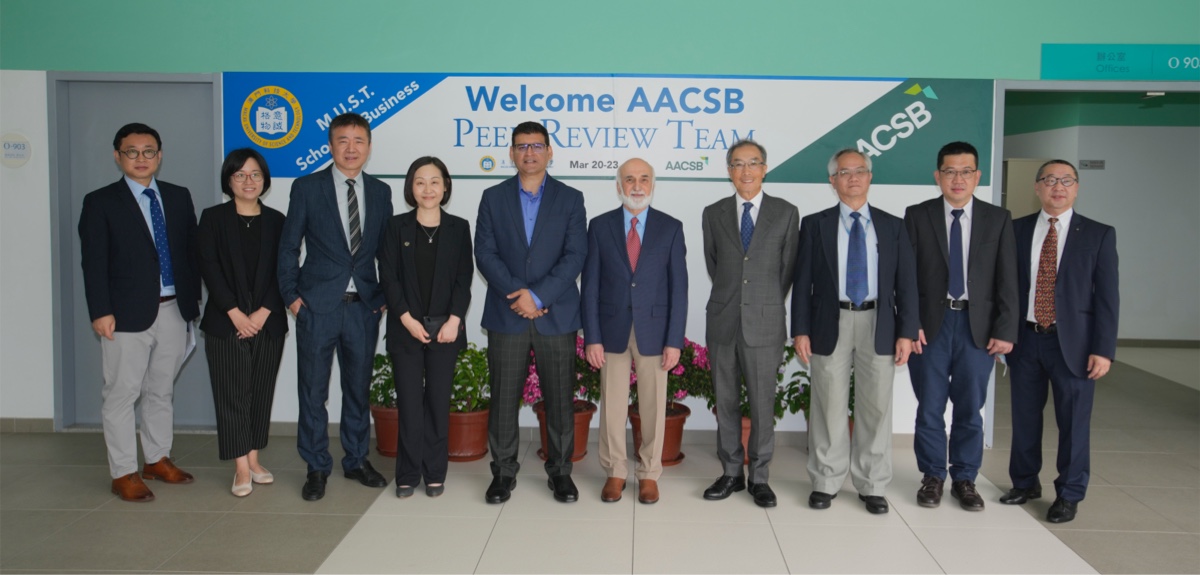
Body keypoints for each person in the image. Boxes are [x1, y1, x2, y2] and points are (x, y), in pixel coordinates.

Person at [78, 122, 201, 502]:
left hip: (173, 310)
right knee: (121, 393)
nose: (141, 158)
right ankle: (124, 471)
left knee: (160, 390)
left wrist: (192, 305)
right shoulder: (100, 202)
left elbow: (190, 254)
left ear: (159, 155)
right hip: (124, 315)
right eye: (132, 151)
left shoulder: (179, 197)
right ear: (118, 156)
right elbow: (93, 262)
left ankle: (157, 458)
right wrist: (100, 310)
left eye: (149, 151)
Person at [791, 148, 918, 515]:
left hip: (879, 322)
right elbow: (802, 283)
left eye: (860, 170)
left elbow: (906, 283)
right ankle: (826, 480)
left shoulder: (893, 225)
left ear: (870, 176)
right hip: (829, 322)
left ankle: (872, 484)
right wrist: (800, 329)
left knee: (876, 406)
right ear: (832, 181)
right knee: (827, 404)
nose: (853, 178)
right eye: (844, 172)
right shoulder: (815, 224)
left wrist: (907, 332)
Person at [278, 113, 394, 501]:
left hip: (363, 306)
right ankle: (316, 466)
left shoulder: (380, 192)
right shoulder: (308, 187)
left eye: (358, 140)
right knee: (313, 391)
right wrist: (292, 298)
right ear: (330, 145)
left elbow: (387, 253)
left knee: (357, 389)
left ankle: (357, 459)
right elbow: (289, 246)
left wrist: (383, 299)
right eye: (342, 140)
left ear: (369, 146)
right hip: (317, 306)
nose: (350, 148)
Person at [475, 121, 587, 504]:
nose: (529, 152)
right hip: (507, 314)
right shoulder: (492, 197)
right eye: (521, 146)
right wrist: (518, 296)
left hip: (556, 314)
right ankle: (503, 474)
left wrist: (538, 297)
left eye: (537, 145)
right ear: (511, 153)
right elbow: (485, 253)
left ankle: (560, 473)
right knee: (504, 399)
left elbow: (576, 256)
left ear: (549, 151)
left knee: (559, 399)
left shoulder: (571, 199)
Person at [1000, 160, 1118, 524]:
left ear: (1077, 188)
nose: (1058, 186)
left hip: (1077, 346)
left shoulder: (1098, 234)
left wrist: (1103, 349)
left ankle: (1069, 493)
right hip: (1025, 340)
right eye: (1050, 180)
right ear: (1037, 187)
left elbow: (1107, 298)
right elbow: (1004, 289)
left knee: (1074, 423)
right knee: (1024, 419)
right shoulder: (1016, 230)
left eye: (1067, 180)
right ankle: (1024, 482)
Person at [903, 141, 1018, 511]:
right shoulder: (917, 215)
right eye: (950, 171)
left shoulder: (997, 219)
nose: (958, 179)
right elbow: (905, 278)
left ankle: (965, 478)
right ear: (938, 176)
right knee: (930, 406)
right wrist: (910, 323)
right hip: (930, 327)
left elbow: (1008, 280)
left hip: (978, 327)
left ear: (977, 176)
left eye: (966, 171)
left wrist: (1005, 329)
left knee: (971, 407)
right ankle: (933, 475)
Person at [582, 158, 688, 505]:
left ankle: (649, 473)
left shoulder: (670, 228)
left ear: (653, 185)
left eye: (644, 179)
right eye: (629, 179)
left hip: (655, 332)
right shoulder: (599, 227)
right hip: (610, 330)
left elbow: (679, 289)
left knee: (654, 406)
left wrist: (674, 340)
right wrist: (592, 337)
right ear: (619, 186)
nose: (637, 185)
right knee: (612, 404)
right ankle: (615, 471)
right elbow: (591, 287)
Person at [700, 139, 798, 508]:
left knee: (761, 403)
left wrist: (762, 302)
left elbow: (786, 270)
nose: (745, 171)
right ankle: (730, 473)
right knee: (725, 402)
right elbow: (716, 266)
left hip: (765, 322)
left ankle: (759, 477)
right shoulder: (713, 212)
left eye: (753, 163)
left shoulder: (786, 212)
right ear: (729, 171)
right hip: (723, 320)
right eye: (737, 164)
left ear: (765, 168)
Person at [378, 157, 473, 499]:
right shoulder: (395, 227)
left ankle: (434, 473)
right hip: (406, 329)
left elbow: (464, 280)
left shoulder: (459, 227)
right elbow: (388, 276)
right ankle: (406, 474)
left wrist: (454, 321)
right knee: (408, 404)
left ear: (445, 186)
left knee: (437, 402)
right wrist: (405, 318)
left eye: (435, 181)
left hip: (446, 331)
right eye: (420, 182)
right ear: (411, 187)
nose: (428, 189)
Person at [196, 148, 288, 497]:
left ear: (264, 180)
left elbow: (285, 271)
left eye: (255, 175)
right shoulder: (213, 218)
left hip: (269, 321)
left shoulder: (278, 220)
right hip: (225, 322)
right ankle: (240, 468)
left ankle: (254, 458)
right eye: (240, 175)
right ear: (229, 180)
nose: (248, 181)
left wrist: (264, 312)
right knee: (231, 394)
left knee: (260, 392)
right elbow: (209, 267)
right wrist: (234, 312)